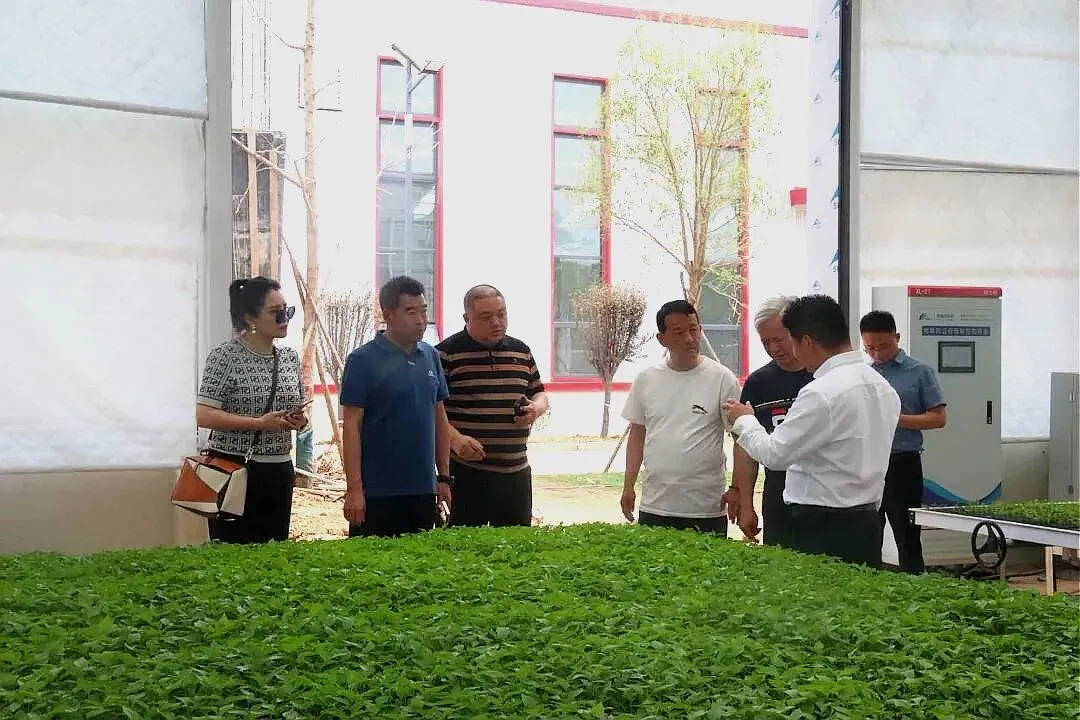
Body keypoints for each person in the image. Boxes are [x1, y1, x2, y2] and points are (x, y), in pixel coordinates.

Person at [723, 294, 901, 567]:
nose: (790, 353)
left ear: (806, 342)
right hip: (866, 522)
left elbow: (774, 455)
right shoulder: (883, 387)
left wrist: (745, 420)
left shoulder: (821, 392)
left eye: (790, 342)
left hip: (819, 527)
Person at [196, 276, 309, 544]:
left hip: (280, 470)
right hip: (234, 469)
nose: (284, 318)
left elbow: (300, 411)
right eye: (275, 312)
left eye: (287, 310)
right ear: (250, 318)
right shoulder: (225, 356)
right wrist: (257, 424)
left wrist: (298, 420)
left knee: (274, 551)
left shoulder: (289, 358)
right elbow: (203, 414)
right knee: (232, 552)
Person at [339, 276, 453, 537]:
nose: (421, 320)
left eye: (424, 311)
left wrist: (444, 477)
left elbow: (440, 419)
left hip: (423, 489)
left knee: (422, 559)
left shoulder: (430, 355)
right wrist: (354, 489)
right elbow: (352, 426)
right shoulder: (362, 360)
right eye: (411, 312)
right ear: (388, 315)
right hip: (378, 492)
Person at [620, 300, 742, 533]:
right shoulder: (646, 379)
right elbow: (637, 435)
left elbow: (740, 439)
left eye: (693, 330)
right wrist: (628, 485)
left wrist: (737, 489)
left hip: (705, 509)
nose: (689, 339)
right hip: (655, 505)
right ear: (662, 339)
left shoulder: (722, 379)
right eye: (679, 332)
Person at [436, 285, 549, 527]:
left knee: (516, 545)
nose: (496, 322)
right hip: (466, 472)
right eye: (486, 317)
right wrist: (455, 440)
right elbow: (432, 412)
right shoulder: (445, 354)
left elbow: (539, 393)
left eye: (501, 313)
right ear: (467, 318)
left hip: (516, 472)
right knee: (466, 544)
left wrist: (536, 409)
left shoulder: (521, 351)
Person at [860, 309, 947, 574]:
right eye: (870, 348)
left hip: (903, 463)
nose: (877, 354)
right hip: (868, 463)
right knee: (867, 533)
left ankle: (914, 585)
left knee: (907, 536)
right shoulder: (863, 374)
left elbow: (938, 418)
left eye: (883, 346)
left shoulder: (919, 372)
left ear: (897, 338)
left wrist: (895, 419)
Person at [727, 296, 814, 547]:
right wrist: (746, 504)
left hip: (821, 497)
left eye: (779, 339)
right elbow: (745, 447)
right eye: (766, 342)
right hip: (777, 496)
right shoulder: (758, 383)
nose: (774, 348)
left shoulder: (822, 377)